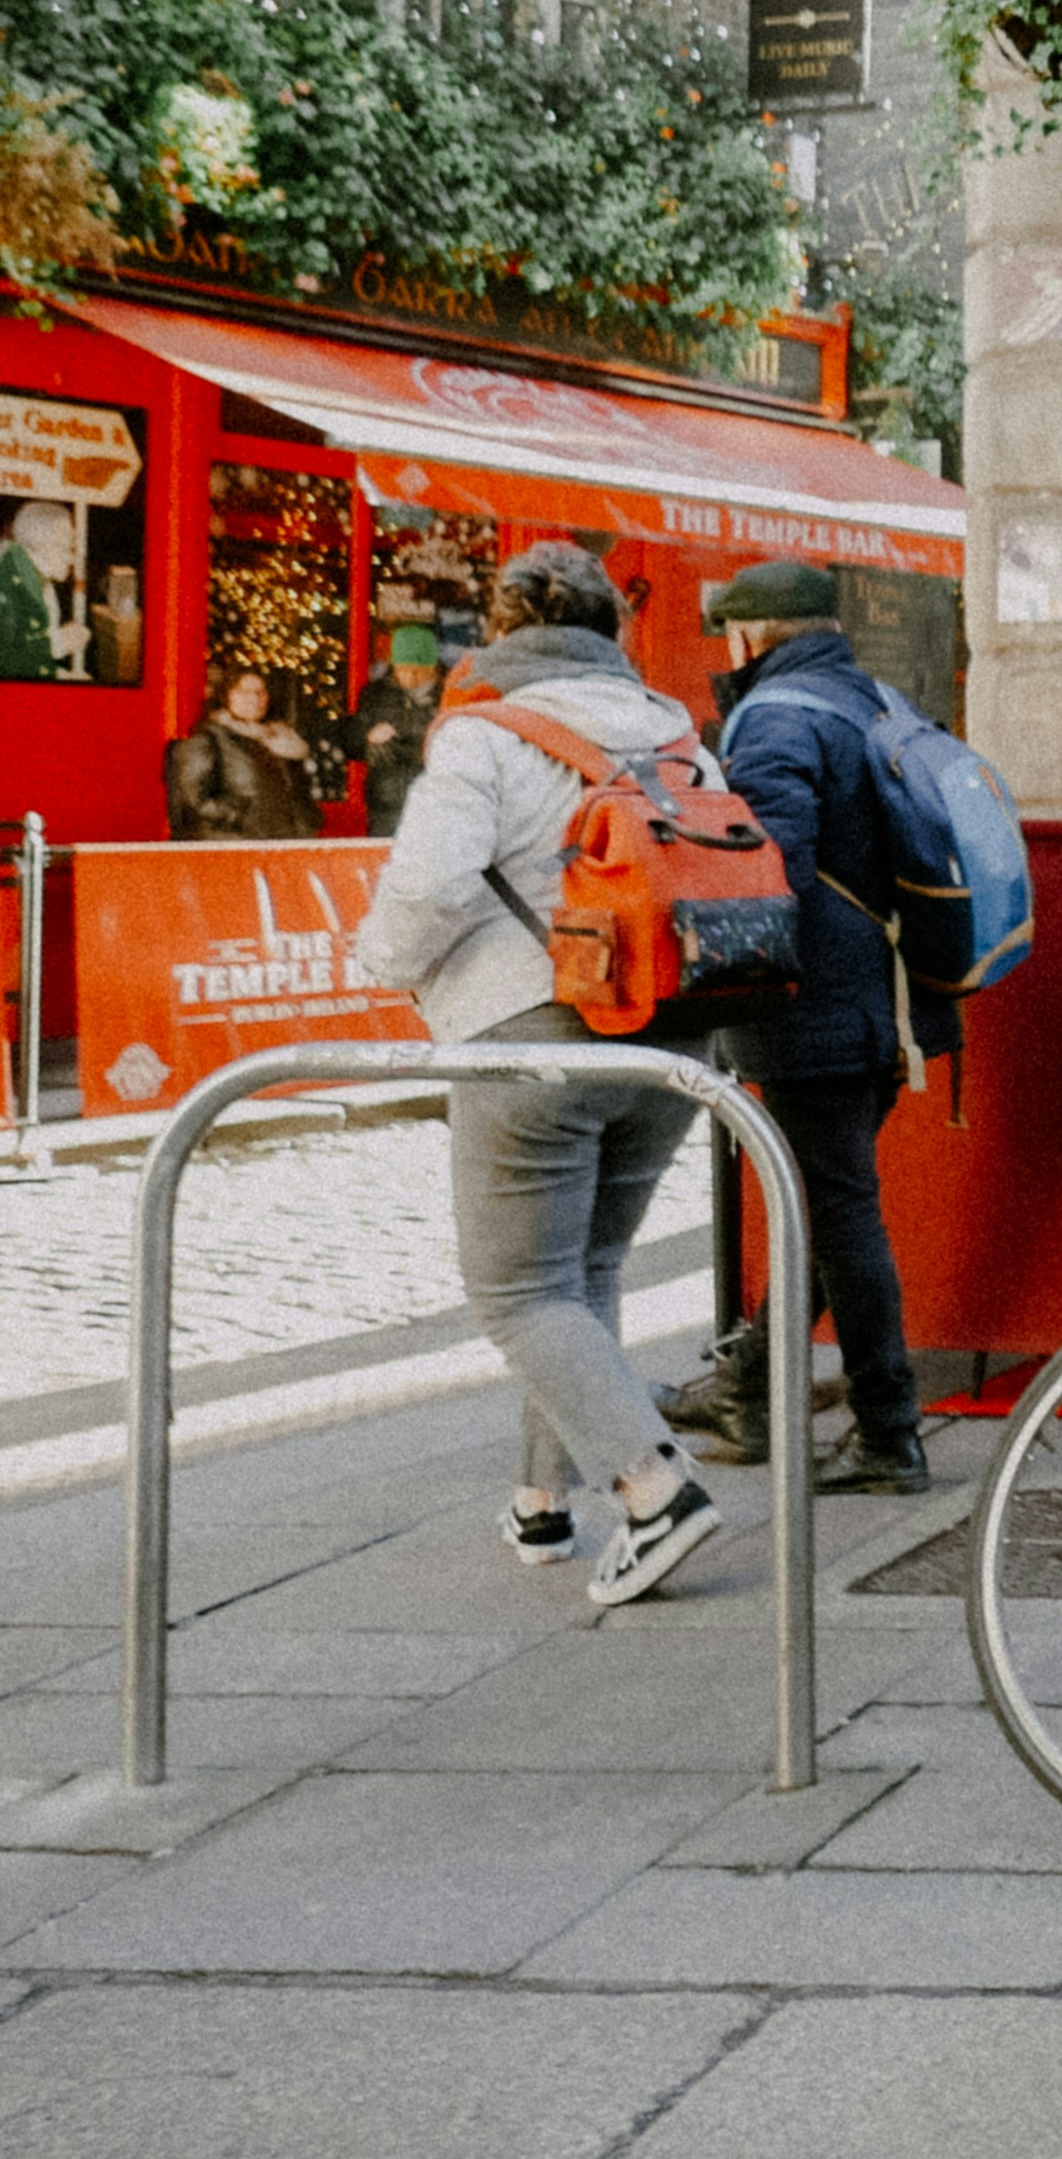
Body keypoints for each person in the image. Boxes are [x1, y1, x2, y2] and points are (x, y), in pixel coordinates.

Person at [346, 540, 726, 1604]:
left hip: (534, 1032)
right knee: (583, 1270)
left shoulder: (481, 734)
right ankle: (544, 1501)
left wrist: (376, 962)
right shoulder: (673, 729)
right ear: (611, 631)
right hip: (667, 1032)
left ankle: (656, 1492)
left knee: (517, 1289)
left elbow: (428, 887)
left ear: (501, 632)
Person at [670, 558, 956, 1496]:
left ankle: (888, 1431)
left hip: (818, 1005)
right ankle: (752, 1386)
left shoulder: (778, 715)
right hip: (893, 993)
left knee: (837, 1210)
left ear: (753, 635)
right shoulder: (870, 696)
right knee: (826, 1203)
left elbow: (768, 869)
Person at [163, 667, 322, 840]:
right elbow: (194, 801)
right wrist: (242, 818)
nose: (254, 698)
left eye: (260, 692)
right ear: (226, 696)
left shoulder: (282, 741)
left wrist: (308, 820)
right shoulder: (208, 740)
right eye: (244, 691)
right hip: (233, 846)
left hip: (286, 843)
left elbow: (298, 793)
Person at [354, 625, 445, 837]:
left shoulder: (449, 696)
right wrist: (368, 737)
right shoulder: (375, 695)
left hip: (435, 803)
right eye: (404, 669)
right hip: (386, 803)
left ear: (433, 668)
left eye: (419, 670)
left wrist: (396, 737)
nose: (411, 677)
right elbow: (353, 741)